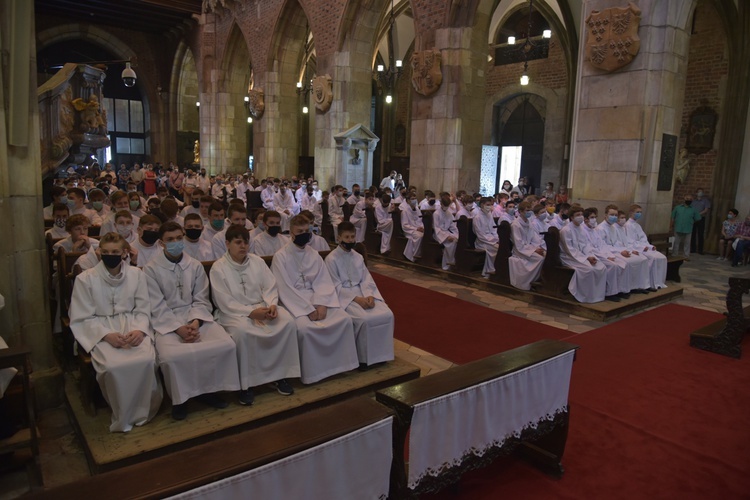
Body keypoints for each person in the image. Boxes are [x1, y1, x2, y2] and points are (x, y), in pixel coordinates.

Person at [143, 222, 240, 419]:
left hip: (195, 316)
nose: (176, 242)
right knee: (172, 357)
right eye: (170, 239)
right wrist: (179, 328)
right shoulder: (151, 269)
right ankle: (181, 399)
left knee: (225, 345)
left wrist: (195, 322)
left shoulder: (194, 265)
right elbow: (156, 305)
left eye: (179, 238)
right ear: (161, 243)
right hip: (167, 321)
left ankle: (210, 391)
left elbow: (201, 298)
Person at [69, 232, 162, 432]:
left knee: (146, 360)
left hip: (132, 325)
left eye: (115, 251)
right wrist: (105, 335)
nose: (110, 255)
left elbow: (143, 308)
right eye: (106, 252)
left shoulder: (137, 275)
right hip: (100, 329)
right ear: (100, 252)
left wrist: (139, 330)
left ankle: (142, 411)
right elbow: (81, 317)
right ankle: (122, 413)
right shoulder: (86, 279)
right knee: (112, 366)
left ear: (124, 253)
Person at [271, 215, 359, 384]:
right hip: (295, 303)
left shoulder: (314, 255)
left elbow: (323, 280)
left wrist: (321, 304)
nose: (305, 234)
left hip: (317, 299)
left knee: (344, 320)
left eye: (307, 231)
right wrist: (307, 309)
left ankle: (340, 366)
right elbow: (284, 288)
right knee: (304, 329)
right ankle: (313, 373)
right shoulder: (280, 256)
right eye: (300, 232)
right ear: (291, 233)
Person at [597, 205, 650, 292]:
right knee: (626, 263)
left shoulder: (613, 227)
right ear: (605, 215)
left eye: (615, 215)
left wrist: (629, 250)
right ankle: (620, 290)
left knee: (641, 259)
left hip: (617, 251)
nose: (614, 217)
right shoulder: (600, 228)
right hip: (608, 253)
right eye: (612, 214)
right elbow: (603, 246)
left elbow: (618, 243)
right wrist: (620, 252)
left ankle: (635, 286)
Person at [559, 205, 607, 303]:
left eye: (581, 214)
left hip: (583, 256)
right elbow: (569, 249)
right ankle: (584, 296)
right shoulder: (566, 230)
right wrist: (585, 258)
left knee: (601, 267)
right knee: (588, 270)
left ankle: (596, 295)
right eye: (578, 215)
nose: (581, 216)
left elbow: (585, 245)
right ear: (572, 217)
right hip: (569, 257)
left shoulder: (581, 228)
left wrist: (590, 256)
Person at [583, 208, 630, 301]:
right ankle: (610, 293)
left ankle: (620, 290)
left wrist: (609, 255)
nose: (594, 219)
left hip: (603, 253)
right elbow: (589, 248)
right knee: (613, 266)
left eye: (595, 217)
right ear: (586, 219)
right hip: (594, 255)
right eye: (592, 217)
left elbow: (602, 244)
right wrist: (606, 256)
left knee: (622, 263)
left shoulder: (593, 230)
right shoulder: (584, 230)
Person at [624, 204, 667, 289]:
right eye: (637, 212)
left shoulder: (637, 225)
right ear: (631, 213)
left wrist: (650, 246)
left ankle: (658, 282)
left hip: (644, 247)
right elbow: (630, 241)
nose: (639, 214)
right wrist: (642, 247)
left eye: (640, 212)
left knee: (662, 257)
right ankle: (651, 283)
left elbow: (643, 238)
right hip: (638, 249)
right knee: (652, 258)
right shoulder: (627, 225)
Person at [509, 201, 546, 290]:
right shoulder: (515, 225)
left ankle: (535, 280)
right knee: (540, 259)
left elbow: (534, 238)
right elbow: (518, 244)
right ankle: (527, 281)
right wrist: (534, 250)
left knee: (545, 254)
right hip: (520, 251)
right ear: (521, 211)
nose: (529, 212)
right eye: (527, 210)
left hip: (530, 248)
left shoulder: (529, 222)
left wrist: (537, 248)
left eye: (530, 210)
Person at [473, 197, 499, 279]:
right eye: (487, 205)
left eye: (491, 205)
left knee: (498, 247)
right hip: (482, 242)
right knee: (494, 248)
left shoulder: (489, 215)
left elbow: (494, 229)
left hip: (491, 239)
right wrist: (492, 241)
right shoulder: (477, 218)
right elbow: (480, 235)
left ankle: (494, 269)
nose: (490, 206)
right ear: (481, 205)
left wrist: (496, 238)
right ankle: (488, 271)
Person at [433, 193, 458, 271]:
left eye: (448, 205)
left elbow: (453, 226)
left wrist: (456, 235)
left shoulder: (449, 213)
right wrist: (447, 237)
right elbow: (436, 228)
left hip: (447, 232)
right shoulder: (436, 214)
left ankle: (451, 262)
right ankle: (446, 265)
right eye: (445, 205)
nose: (446, 207)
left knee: (455, 240)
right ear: (441, 204)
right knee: (450, 243)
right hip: (438, 234)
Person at [399, 191, 423, 262]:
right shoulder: (405, 211)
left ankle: (420, 255)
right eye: (412, 199)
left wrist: (421, 227)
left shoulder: (418, 210)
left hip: (418, 230)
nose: (414, 200)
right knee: (419, 236)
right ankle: (414, 255)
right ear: (408, 200)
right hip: (409, 231)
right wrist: (416, 228)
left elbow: (421, 220)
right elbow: (405, 225)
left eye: (415, 198)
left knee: (425, 235)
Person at [691, 188, 711, 255]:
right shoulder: (694, 201)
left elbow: (706, 210)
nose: (700, 193)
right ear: (696, 193)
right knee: (693, 234)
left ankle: (700, 250)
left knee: (700, 234)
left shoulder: (705, 201)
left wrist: (698, 214)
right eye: (699, 192)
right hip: (693, 219)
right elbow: (691, 209)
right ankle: (692, 248)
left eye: (701, 192)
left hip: (701, 218)